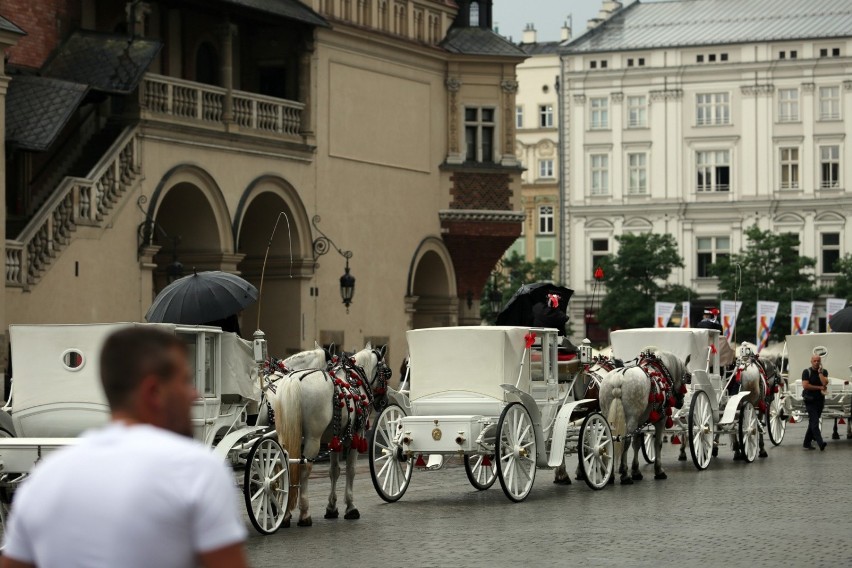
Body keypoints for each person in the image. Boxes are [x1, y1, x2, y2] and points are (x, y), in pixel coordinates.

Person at [2, 327, 248, 568]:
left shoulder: (43, 479)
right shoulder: (198, 470)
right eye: (185, 381)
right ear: (153, 392)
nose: (194, 395)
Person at [801, 353, 829, 451]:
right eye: (815, 361)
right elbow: (805, 385)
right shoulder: (806, 372)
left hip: (820, 400)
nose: (816, 362)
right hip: (809, 400)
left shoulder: (824, 371)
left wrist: (820, 373)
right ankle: (820, 443)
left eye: (818, 361)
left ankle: (806, 443)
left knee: (813, 422)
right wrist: (819, 387)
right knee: (815, 421)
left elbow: (825, 383)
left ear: (820, 362)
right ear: (811, 361)